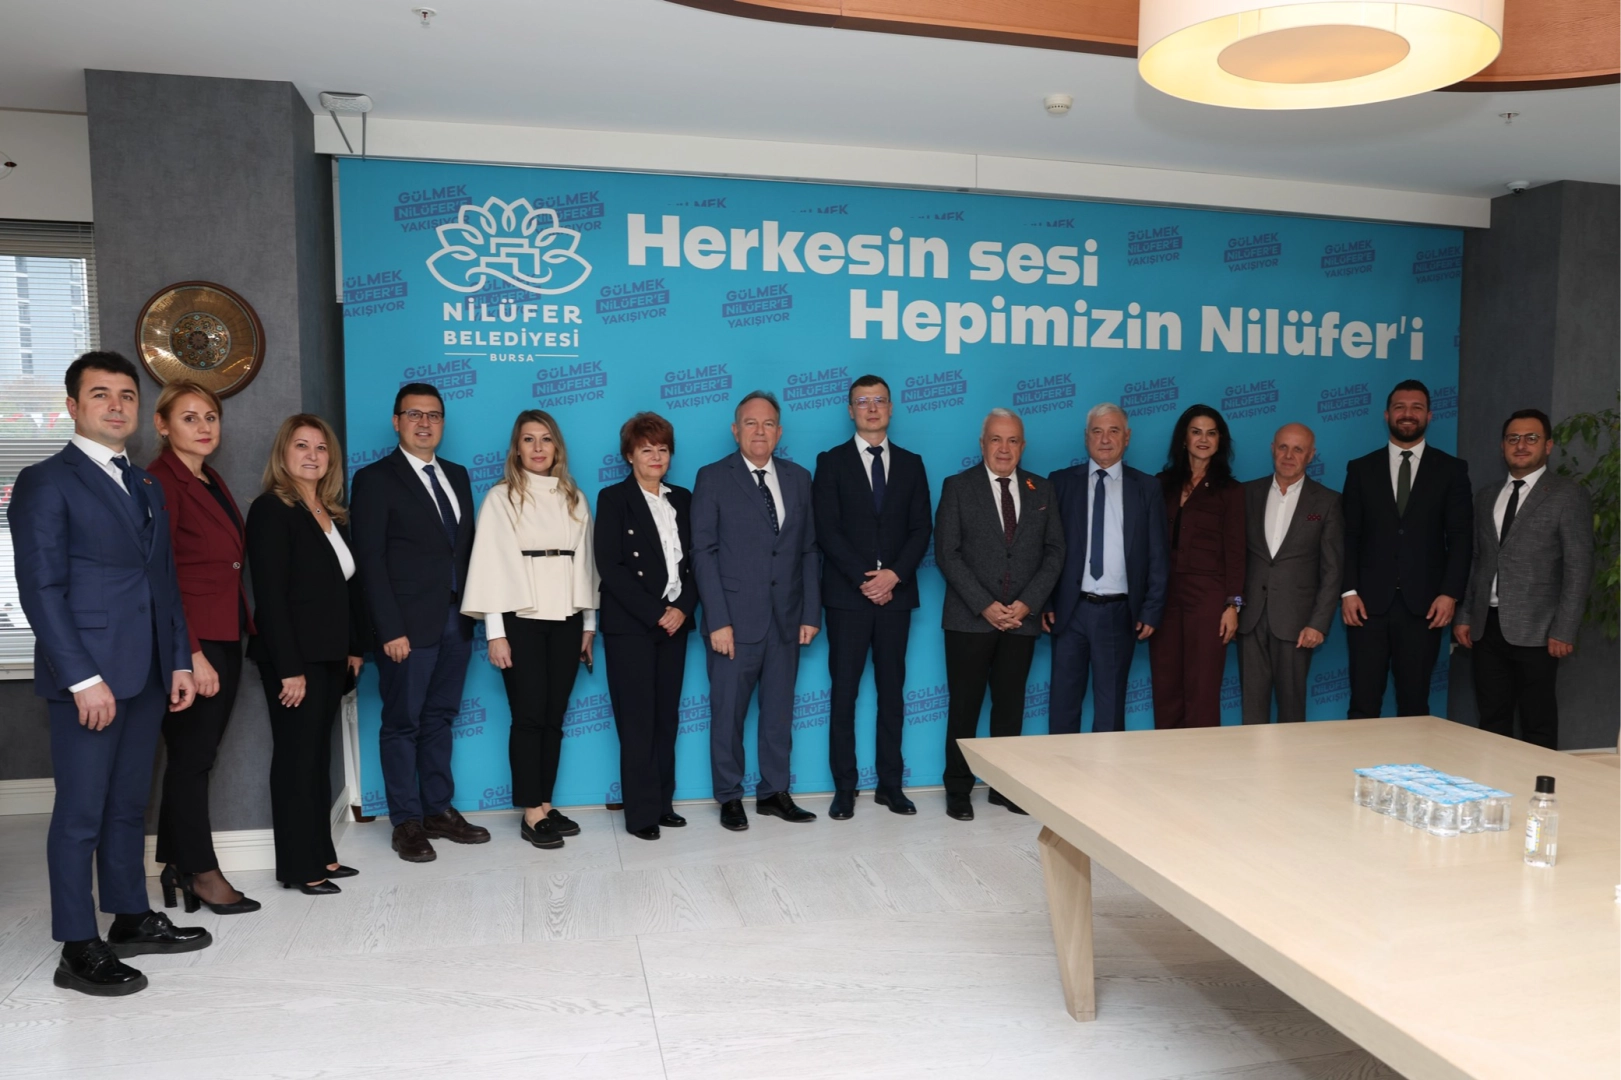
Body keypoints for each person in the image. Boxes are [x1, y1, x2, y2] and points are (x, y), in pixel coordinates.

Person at [9, 351, 205, 996]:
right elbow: (40, 589)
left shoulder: (144, 484)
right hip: (88, 678)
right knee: (81, 814)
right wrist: (80, 678)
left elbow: (162, 582)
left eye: (126, 395)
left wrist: (177, 659)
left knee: (127, 805)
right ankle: (76, 946)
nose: (116, 406)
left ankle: (129, 917)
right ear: (73, 406)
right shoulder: (45, 481)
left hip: (146, 671)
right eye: (100, 394)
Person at [350, 382, 491, 862]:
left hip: (456, 620)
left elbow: (464, 550)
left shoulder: (458, 475)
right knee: (402, 722)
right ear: (396, 422)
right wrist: (389, 629)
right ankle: (406, 822)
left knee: (440, 719)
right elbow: (370, 561)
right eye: (414, 414)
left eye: (433, 415)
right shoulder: (375, 479)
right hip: (406, 628)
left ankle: (437, 810)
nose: (424, 423)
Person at [461, 410, 600, 850]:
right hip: (519, 619)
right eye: (528, 439)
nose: (538, 448)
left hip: (567, 618)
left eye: (545, 439)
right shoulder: (501, 497)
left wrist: (588, 624)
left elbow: (586, 563)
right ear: (516, 449)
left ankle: (545, 802)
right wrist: (495, 632)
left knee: (554, 717)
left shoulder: (575, 497)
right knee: (529, 715)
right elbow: (490, 565)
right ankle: (530, 811)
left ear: (557, 447)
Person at [147, 380, 259, 914]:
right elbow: (160, 574)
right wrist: (189, 654)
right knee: (192, 759)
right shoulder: (160, 481)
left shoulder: (208, 477)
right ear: (162, 425)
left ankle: (175, 860)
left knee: (196, 757)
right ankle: (201, 873)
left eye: (210, 417)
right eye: (189, 418)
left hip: (224, 630)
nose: (204, 427)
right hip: (194, 641)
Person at [246, 415, 368, 894]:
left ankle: (323, 855)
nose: (312, 455)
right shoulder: (271, 510)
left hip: (330, 656)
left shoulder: (331, 512)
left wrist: (354, 648)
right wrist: (290, 669)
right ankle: (301, 867)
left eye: (320, 447)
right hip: (294, 660)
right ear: (284, 453)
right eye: (302, 445)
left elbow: (346, 587)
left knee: (317, 758)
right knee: (297, 761)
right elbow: (270, 597)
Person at [691, 390, 821, 831]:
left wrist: (810, 612)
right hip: (733, 621)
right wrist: (717, 620)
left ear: (779, 432)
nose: (759, 431)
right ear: (735, 430)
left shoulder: (799, 478)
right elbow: (703, 553)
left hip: (786, 619)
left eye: (767, 424)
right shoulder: (713, 477)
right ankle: (729, 796)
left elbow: (808, 550)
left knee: (779, 714)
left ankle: (773, 792)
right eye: (750, 423)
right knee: (727, 714)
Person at [812, 375, 933, 820]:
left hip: (896, 599)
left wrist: (893, 576)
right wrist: (866, 580)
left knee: (892, 695)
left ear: (891, 407)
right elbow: (826, 529)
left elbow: (922, 528)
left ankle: (890, 786)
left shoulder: (912, 463)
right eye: (862, 401)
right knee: (844, 695)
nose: (872, 408)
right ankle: (845, 788)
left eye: (879, 400)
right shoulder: (831, 462)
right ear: (850, 410)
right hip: (848, 598)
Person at [935, 408, 1064, 820]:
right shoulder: (957, 487)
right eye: (996, 439)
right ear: (982, 443)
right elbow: (947, 553)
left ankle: (1004, 788)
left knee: (1010, 707)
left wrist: (1028, 603)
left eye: (1012, 440)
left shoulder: (1042, 490)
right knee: (965, 707)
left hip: (1021, 619)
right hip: (970, 619)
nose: (1004, 448)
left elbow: (1055, 552)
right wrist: (985, 605)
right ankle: (958, 788)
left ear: (1023, 446)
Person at [1454, 409, 1594, 748]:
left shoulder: (1567, 494)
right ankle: (1494, 779)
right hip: (1486, 628)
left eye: (1531, 438)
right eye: (1513, 438)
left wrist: (1564, 629)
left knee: (1537, 722)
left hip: (1539, 631)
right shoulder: (1486, 496)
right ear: (1502, 446)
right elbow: (1478, 559)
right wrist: (1465, 615)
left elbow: (1579, 566)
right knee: (1492, 719)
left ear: (1548, 446)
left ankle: (1538, 783)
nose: (1521, 445)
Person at [594, 412, 698, 840]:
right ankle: (640, 814)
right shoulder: (613, 498)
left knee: (666, 718)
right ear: (629, 455)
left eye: (663, 449)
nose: (656, 456)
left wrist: (683, 608)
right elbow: (610, 566)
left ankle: (663, 803)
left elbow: (698, 562)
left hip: (676, 623)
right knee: (637, 720)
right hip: (632, 625)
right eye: (646, 449)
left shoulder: (684, 499)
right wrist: (657, 611)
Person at [1341, 380, 1472, 718]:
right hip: (1366, 606)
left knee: (1415, 707)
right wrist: (1348, 591)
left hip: (1425, 607)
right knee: (1363, 705)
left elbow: (1461, 538)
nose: (1408, 414)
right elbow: (1348, 536)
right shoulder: (1360, 469)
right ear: (1387, 415)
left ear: (1429, 415)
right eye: (1400, 407)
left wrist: (1450, 594)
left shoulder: (1452, 470)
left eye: (1416, 407)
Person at [1045, 403, 1168, 737]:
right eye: (1097, 431)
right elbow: (1045, 549)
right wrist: (1046, 602)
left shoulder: (1146, 487)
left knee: (1111, 710)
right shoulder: (1060, 483)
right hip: (1069, 611)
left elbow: (1158, 554)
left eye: (1114, 431)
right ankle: (1057, 771)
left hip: (1118, 614)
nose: (1105, 439)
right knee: (1062, 707)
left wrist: (1152, 609)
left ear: (1127, 437)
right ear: (1086, 437)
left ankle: (1106, 773)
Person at [1237, 423, 1343, 725]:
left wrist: (1318, 624)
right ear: (1272, 449)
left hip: (1298, 624)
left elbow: (1333, 570)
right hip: (1250, 618)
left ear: (1311, 455)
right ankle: (1252, 758)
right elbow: (1233, 557)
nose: (1288, 455)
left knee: (1292, 710)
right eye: (1283, 447)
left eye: (1298, 449)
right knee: (1251, 710)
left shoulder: (1327, 501)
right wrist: (1232, 605)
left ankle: (1291, 759)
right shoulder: (1246, 493)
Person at [1150, 405, 1246, 728]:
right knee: (1165, 683)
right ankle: (1167, 755)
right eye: (1196, 432)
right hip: (1164, 597)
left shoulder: (1231, 491)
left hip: (1208, 599)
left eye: (1211, 433)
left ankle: (1202, 758)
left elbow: (1236, 552)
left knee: (1202, 685)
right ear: (1184, 439)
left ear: (1220, 441)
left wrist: (1233, 604)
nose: (1203, 439)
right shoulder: (1161, 484)